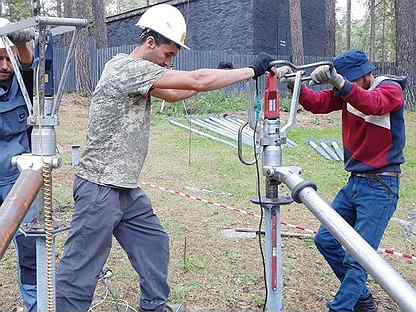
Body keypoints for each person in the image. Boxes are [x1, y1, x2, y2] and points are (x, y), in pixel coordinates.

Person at [48, 4, 274, 312]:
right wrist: (251, 71)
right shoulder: (124, 69)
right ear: (150, 42)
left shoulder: (143, 77)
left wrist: (217, 76)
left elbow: (175, 92)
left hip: (124, 187)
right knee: (81, 268)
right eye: (168, 55)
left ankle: (154, 306)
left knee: (154, 242)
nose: (169, 63)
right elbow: (196, 79)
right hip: (99, 187)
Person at [276, 49, 405, 312]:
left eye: (350, 81)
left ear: (367, 75)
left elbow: (373, 104)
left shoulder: (390, 89)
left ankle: (341, 307)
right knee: (325, 239)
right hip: (355, 183)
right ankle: (362, 300)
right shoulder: (348, 92)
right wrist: (294, 83)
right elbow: (317, 103)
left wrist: (340, 83)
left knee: (360, 258)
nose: (345, 89)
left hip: (381, 186)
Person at [0, 19, 38, 312]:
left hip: (20, 179)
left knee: (30, 247)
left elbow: (27, 62)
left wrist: (20, 40)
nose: (5, 65)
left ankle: (36, 303)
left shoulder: (21, 83)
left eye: (7, 56)